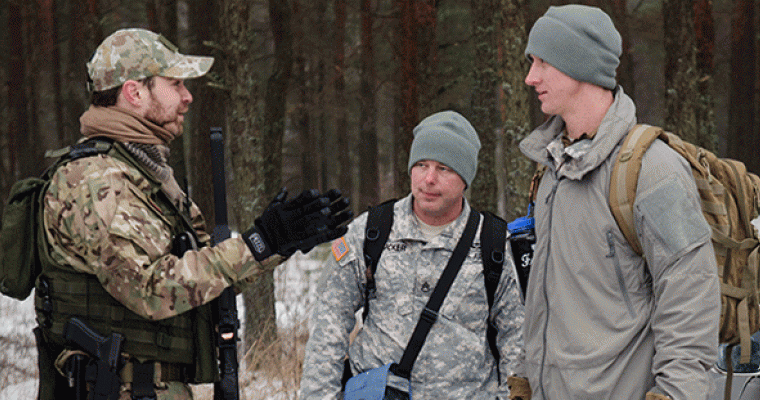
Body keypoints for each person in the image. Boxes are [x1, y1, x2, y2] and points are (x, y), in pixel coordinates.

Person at [34, 28, 351, 400]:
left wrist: (272, 244)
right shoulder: (96, 181)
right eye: (175, 83)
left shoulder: (142, 173)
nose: (188, 96)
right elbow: (149, 290)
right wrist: (254, 246)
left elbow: (198, 275)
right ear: (134, 92)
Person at [517, 5, 721, 400]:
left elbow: (690, 294)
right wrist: (524, 380)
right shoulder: (552, 170)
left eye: (543, 62)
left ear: (579, 65)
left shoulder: (654, 171)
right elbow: (547, 298)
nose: (531, 77)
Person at [299, 110, 527, 400]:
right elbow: (327, 325)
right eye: (421, 165)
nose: (429, 179)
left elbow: (517, 341)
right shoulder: (371, 231)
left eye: (444, 168)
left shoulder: (493, 243)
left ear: (465, 177)